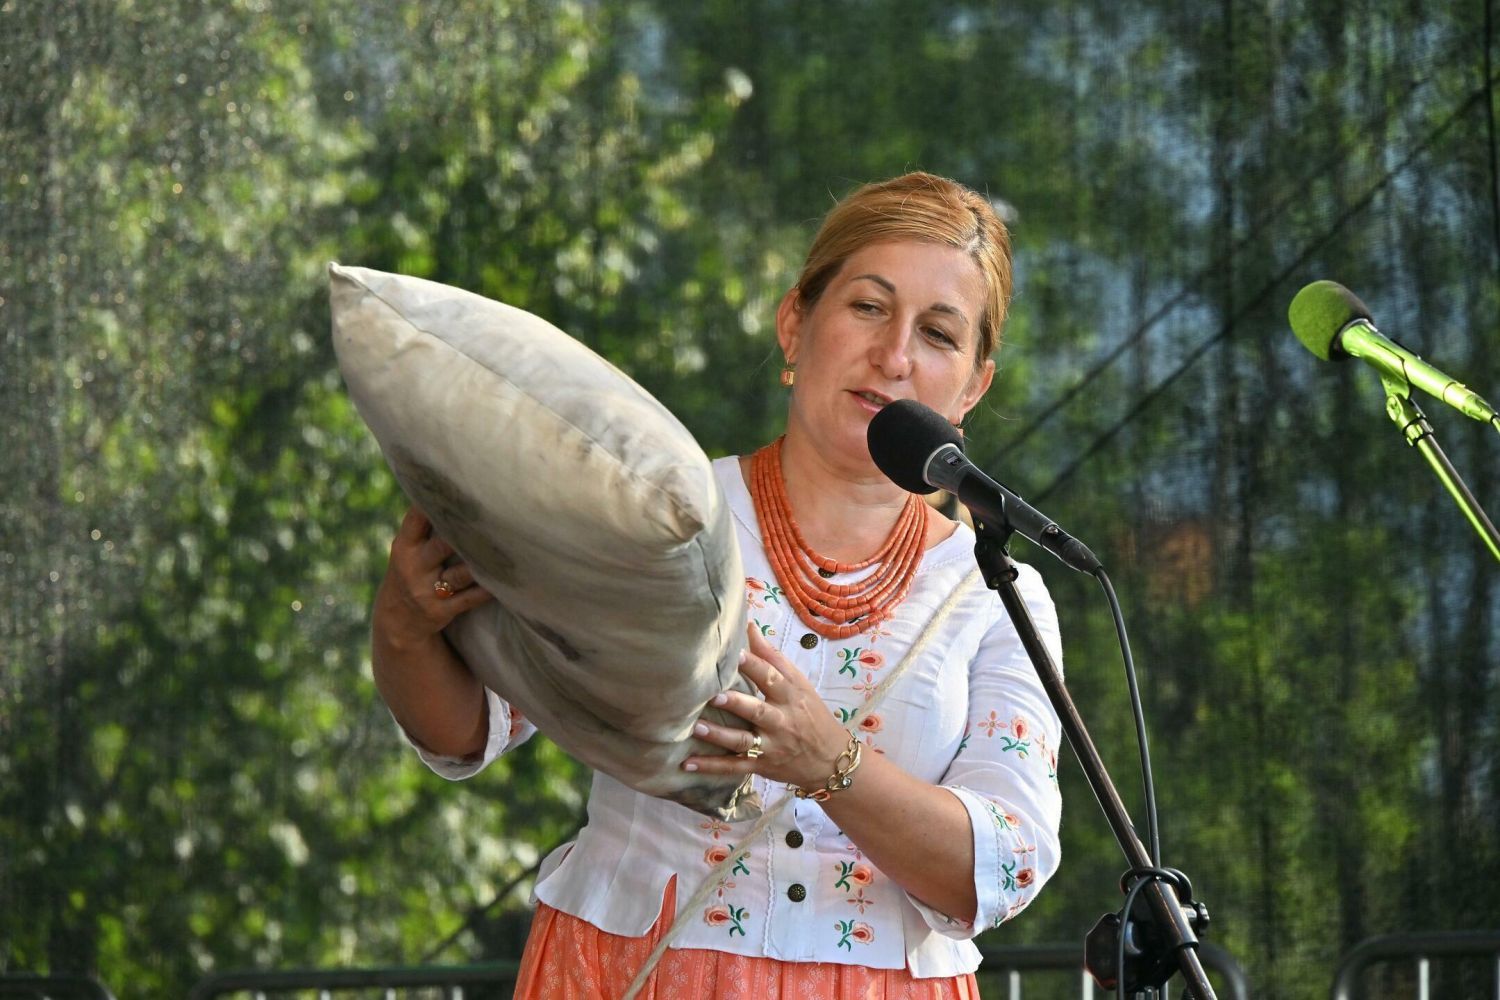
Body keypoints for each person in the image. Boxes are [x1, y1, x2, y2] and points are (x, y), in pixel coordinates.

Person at [371, 171, 1064, 999]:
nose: (894, 356)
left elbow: (1004, 866)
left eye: (939, 334)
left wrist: (831, 763)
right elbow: (469, 729)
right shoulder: (657, 511)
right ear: (795, 323)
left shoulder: (994, 591)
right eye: (868, 307)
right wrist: (406, 624)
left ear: (973, 387)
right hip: (628, 973)